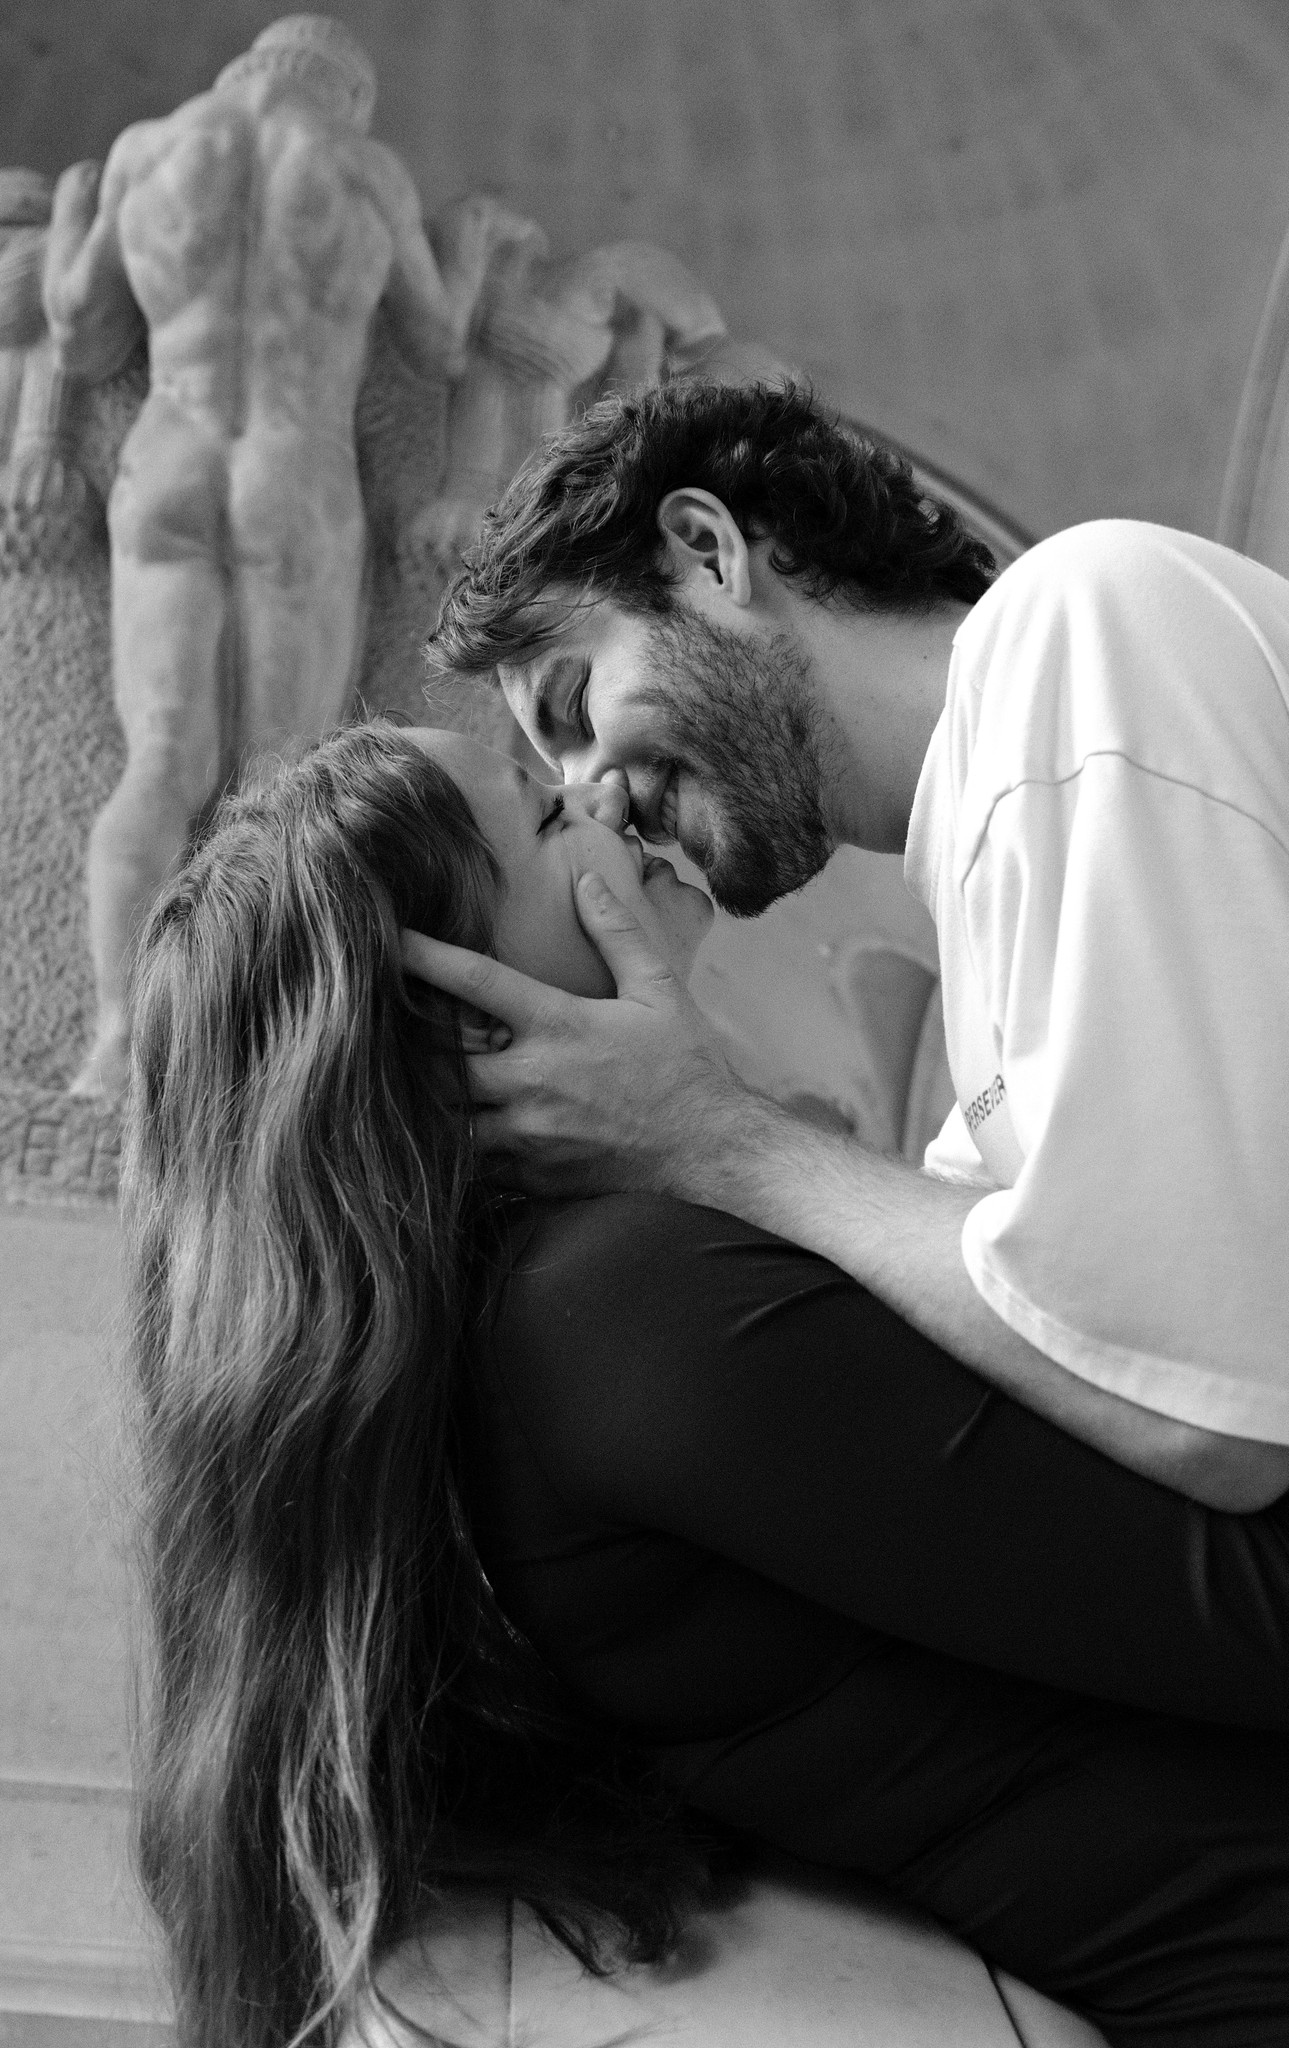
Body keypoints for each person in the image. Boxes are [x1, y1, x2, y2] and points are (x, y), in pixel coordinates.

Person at [125, 720, 1289, 2048]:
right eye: (548, 817)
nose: (604, 798)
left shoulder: (544, 1332)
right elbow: (1256, 1601)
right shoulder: (611, 1315)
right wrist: (717, 1136)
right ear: (464, 1021)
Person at [419, 377, 1289, 1515]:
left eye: (576, 706)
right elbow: (1019, 1318)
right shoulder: (987, 859)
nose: (600, 802)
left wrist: (704, 1133)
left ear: (705, 552)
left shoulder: (1078, 624)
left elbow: (1204, 1402)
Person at [41, 15, 519, 1101]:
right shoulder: (361, 168)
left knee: (161, 761)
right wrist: (474, 247)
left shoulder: (150, 151)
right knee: (279, 777)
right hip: (292, 472)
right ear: (347, 92)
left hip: (167, 460)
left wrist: (71, 214)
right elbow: (440, 341)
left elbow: (80, 335)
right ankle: (248, 1056)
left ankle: (116, 1044)